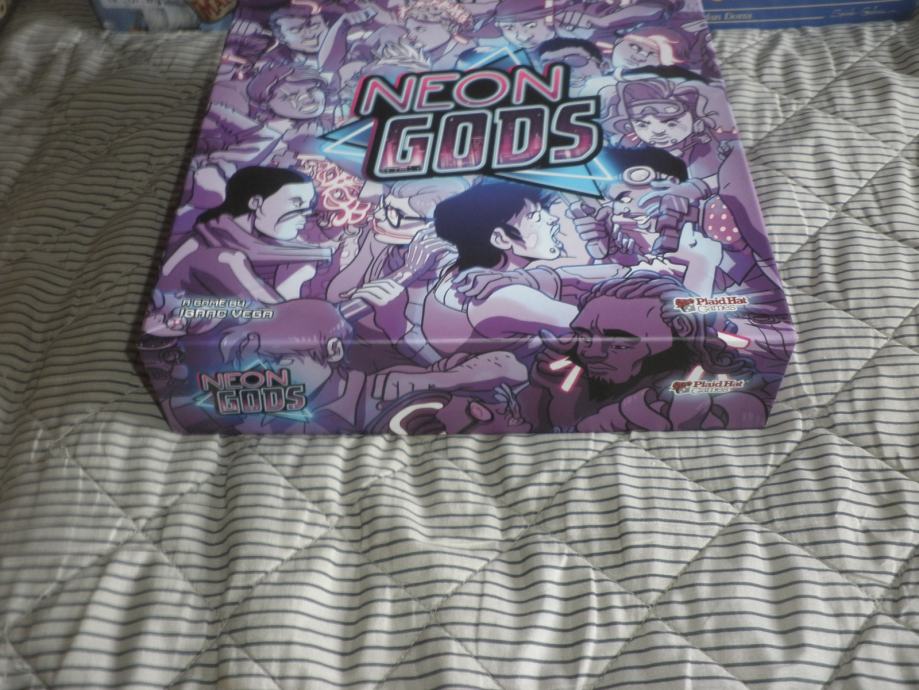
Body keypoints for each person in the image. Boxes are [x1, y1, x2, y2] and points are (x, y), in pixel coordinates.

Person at [522, 273, 772, 431]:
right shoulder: (579, 380)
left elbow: (747, 408)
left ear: (680, 330)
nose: (591, 352)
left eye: (618, 341)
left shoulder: (726, 397)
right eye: (584, 335)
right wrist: (555, 392)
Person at [146, 167, 331, 337]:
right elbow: (280, 320)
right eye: (297, 203)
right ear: (256, 202)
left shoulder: (222, 235)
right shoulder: (223, 257)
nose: (307, 213)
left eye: (309, 205)